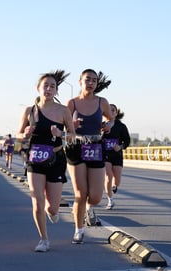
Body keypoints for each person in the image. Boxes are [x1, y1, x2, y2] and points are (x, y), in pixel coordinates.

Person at [16, 70, 75, 252]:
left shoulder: (64, 111)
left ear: (56, 91)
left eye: (52, 86)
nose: (48, 89)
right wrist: (24, 134)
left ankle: (53, 212)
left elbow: (73, 137)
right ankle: (44, 239)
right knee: (37, 201)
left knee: (52, 207)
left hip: (56, 158)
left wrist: (62, 134)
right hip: (35, 160)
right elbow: (18, 135)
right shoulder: (29, 111)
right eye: (45, 86)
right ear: (38, 88)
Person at [65, 69, 113, 244]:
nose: (91, 83)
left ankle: (89, 208)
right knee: (80, 193)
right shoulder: (72, 103)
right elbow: (63, 125)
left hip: (96, 146)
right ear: (80, 82)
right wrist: (71, 125)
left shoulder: (102, 102)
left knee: (95, 196)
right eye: (87, 80)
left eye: (94, 80)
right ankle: (79, 230)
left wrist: (109, 124)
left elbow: (111, 118)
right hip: (76, 147)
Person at [103, 104, 131, 209]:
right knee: (108, 177)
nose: (111, 112)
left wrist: (120, 146)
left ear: (116, 112)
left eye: (113, 110)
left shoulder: (121, 126)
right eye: (108, 110)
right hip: (105, 154)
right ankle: (110, 200)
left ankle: (114, 187)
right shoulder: (101, 125)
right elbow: (95, 138)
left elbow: (127, 141)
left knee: (117, 180)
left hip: (117, 155)